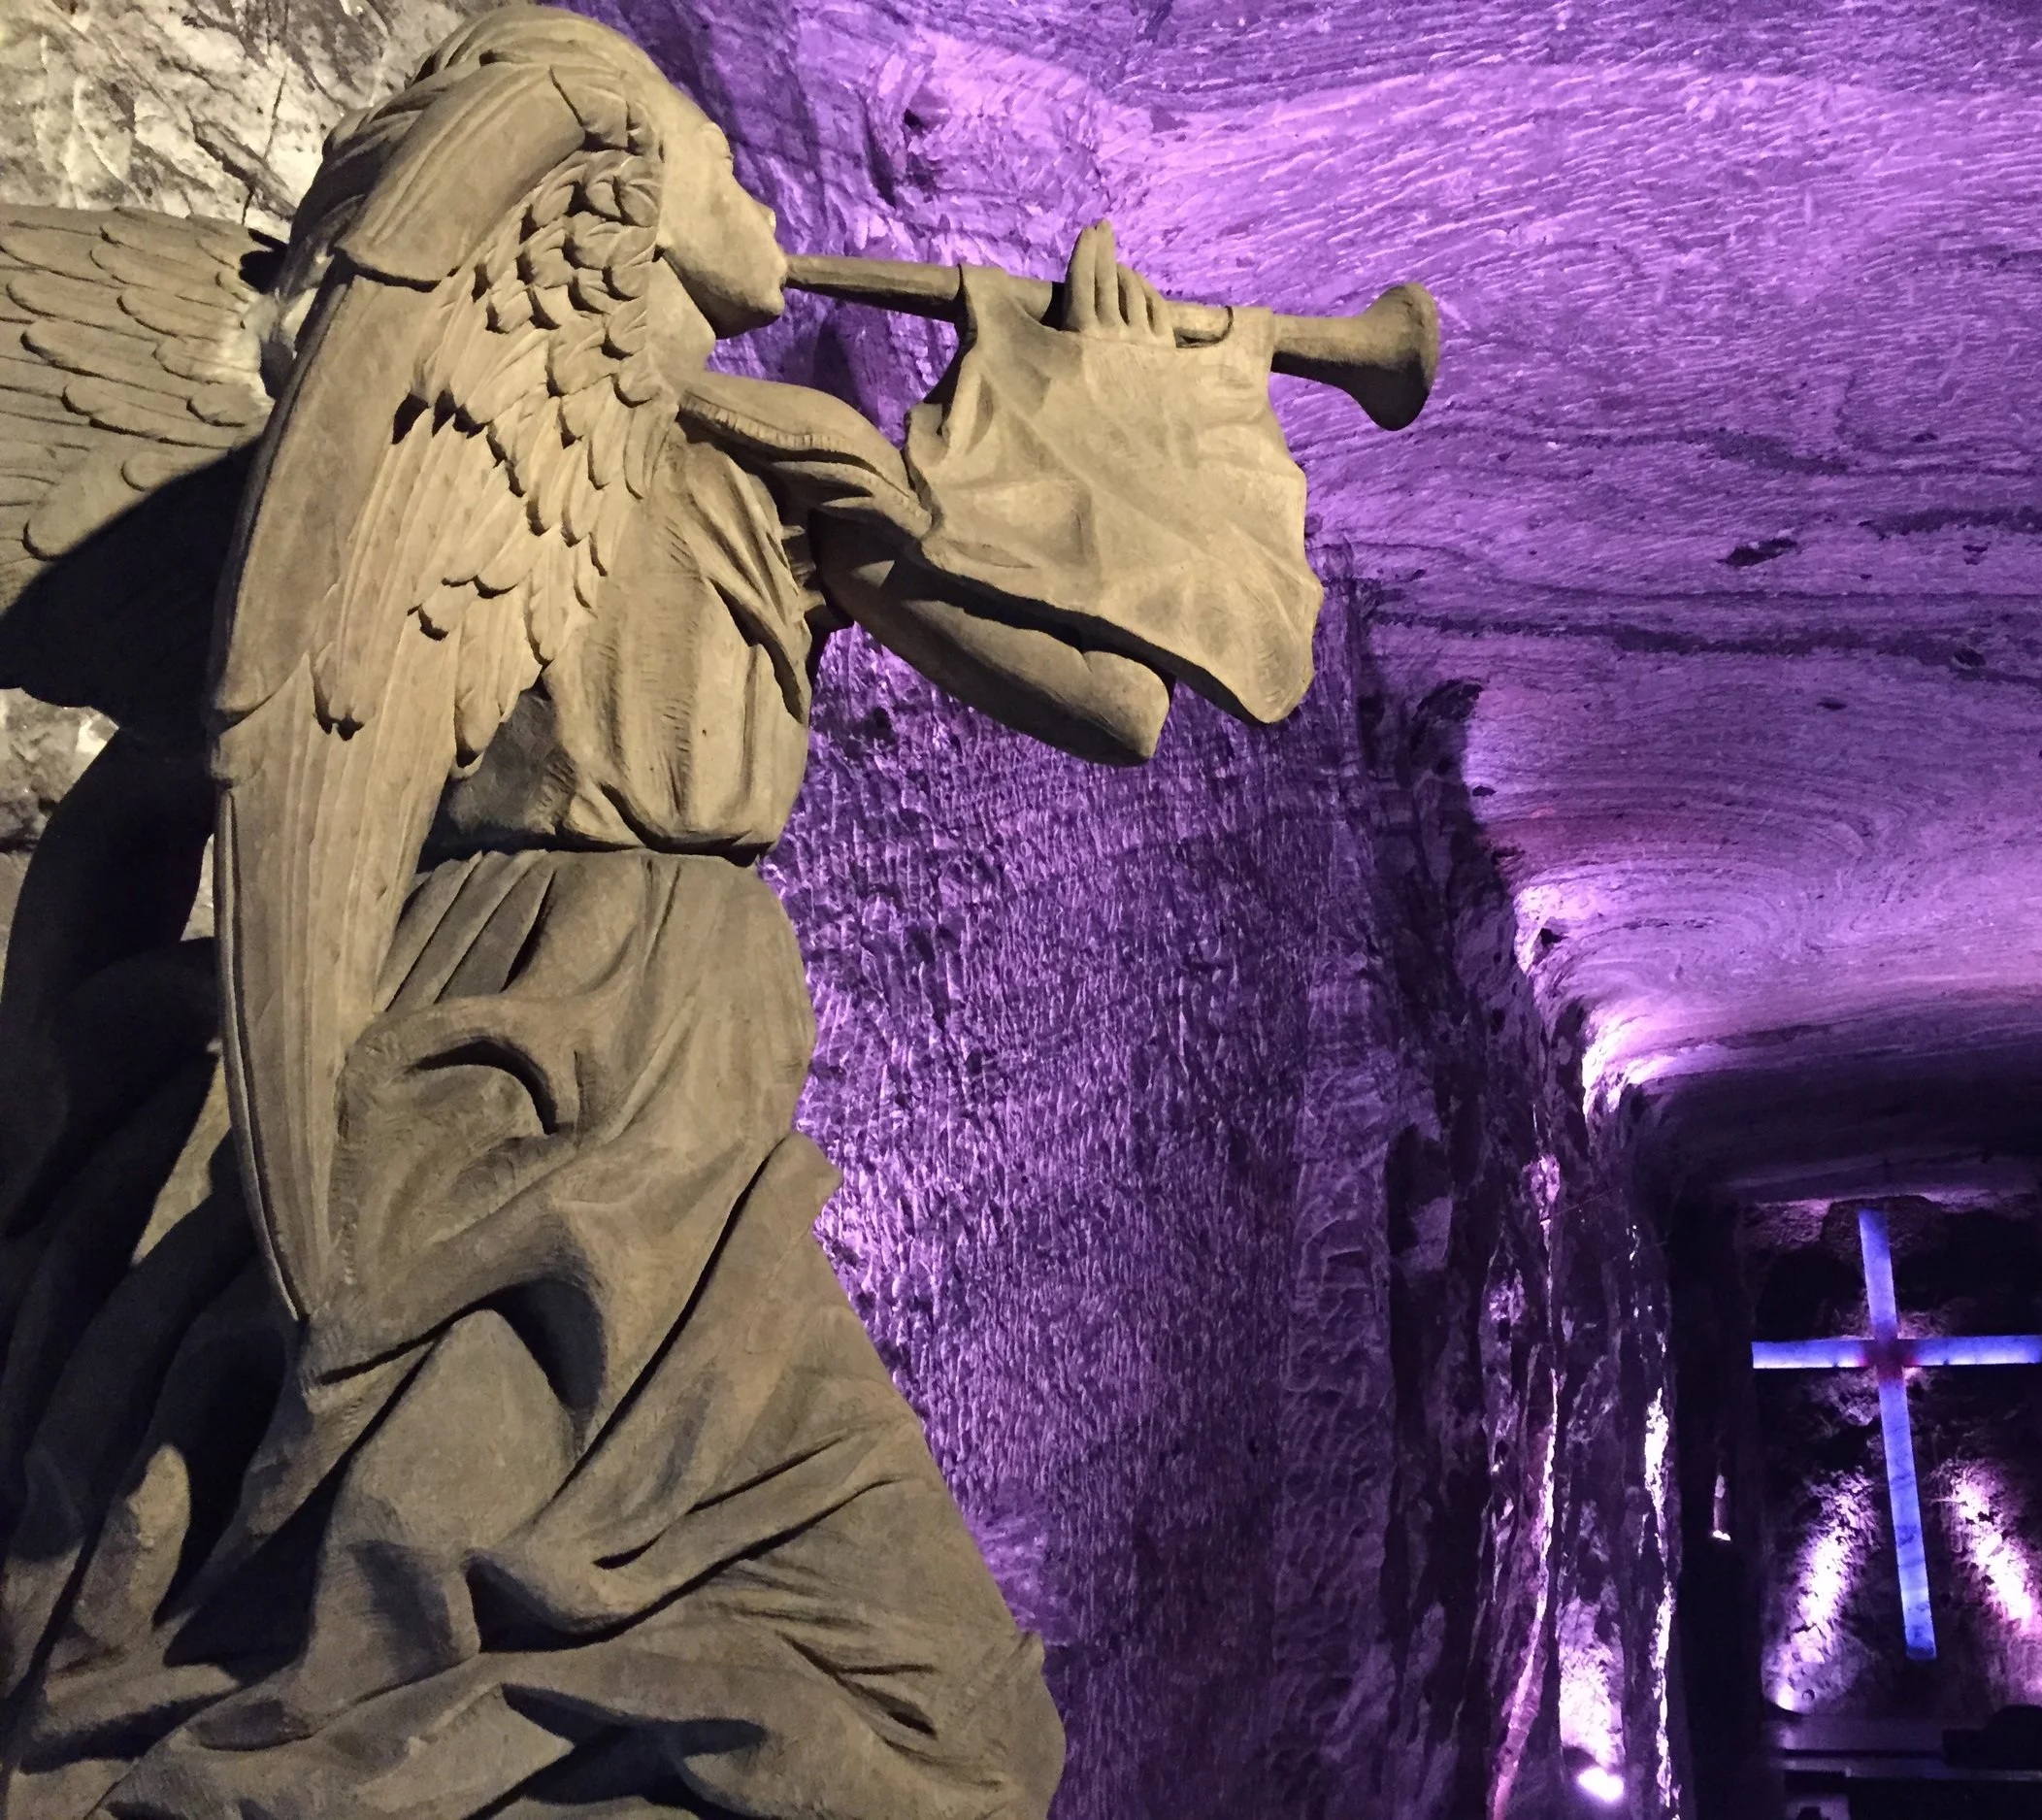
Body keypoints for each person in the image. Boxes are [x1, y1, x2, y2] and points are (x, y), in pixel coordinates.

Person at [0, 8, 1319, 1812]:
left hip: (419, 1080)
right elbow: (1119, 697)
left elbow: (150, 807)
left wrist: (61, 1140)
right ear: (596, 218)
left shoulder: (388, 477)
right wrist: (1135, 414)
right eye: (701, 149)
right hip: (598, 1111)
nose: (749, 175)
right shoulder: (752, 460)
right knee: (942, 1735)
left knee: (402, 1613)